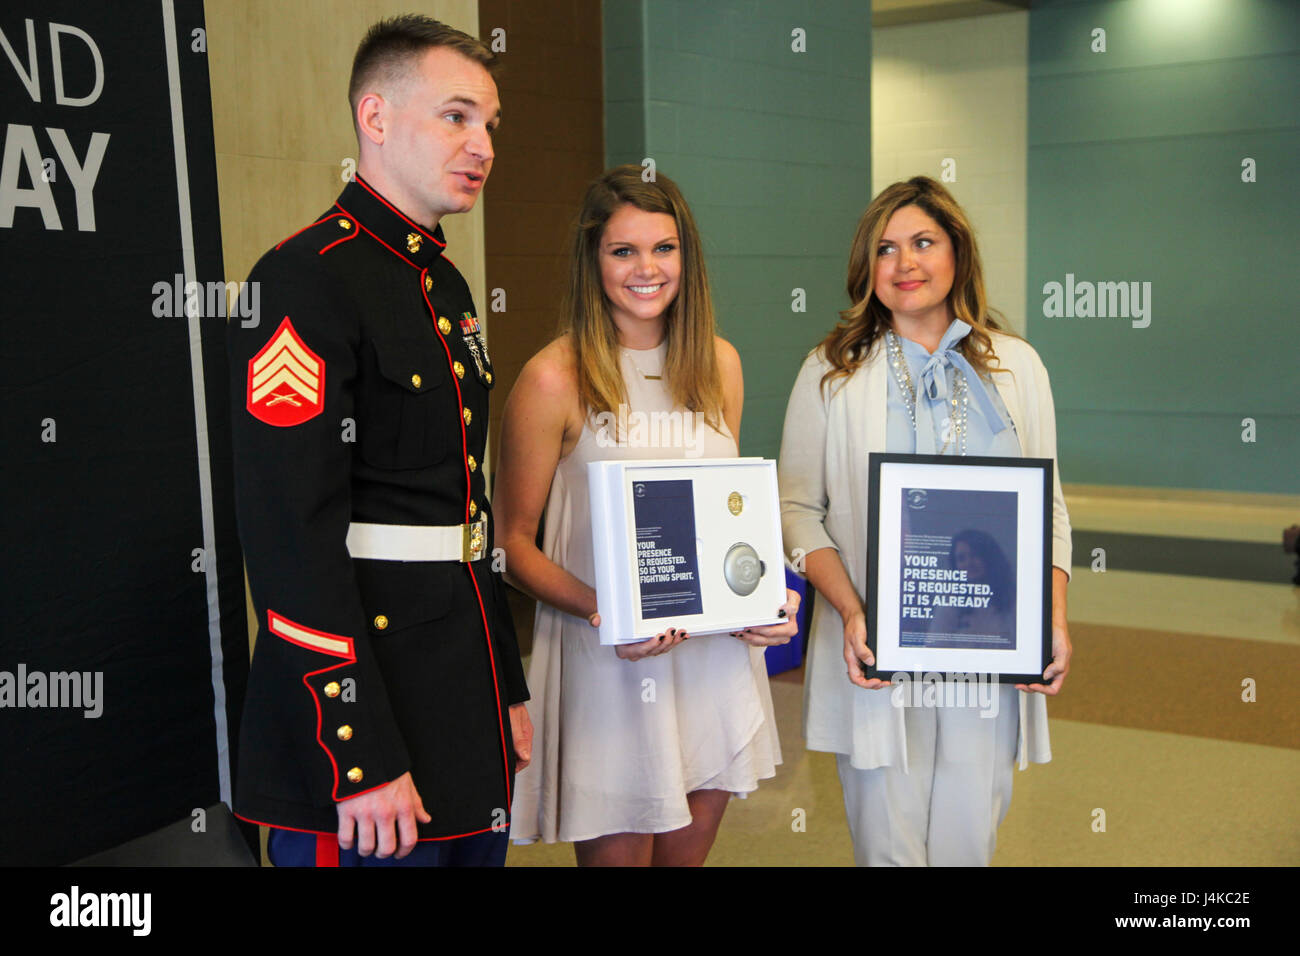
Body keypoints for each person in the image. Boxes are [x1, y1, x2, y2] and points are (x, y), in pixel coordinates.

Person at [227, 15, 530, 867]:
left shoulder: (444, 281)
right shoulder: (303, 278)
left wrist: (503, 683)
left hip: (458, 700)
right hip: (362, 724)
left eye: (490, 125)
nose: (482, 145)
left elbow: (465, 509)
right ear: (376, 115)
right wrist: (353, 752)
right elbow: (291, 536)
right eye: (457, 116)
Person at [496, 166, 798, 866]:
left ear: (686, 258)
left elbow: (727, 517)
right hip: (613, 664)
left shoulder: (719, 365)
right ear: (591, 260)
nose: (646, 269)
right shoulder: (553, 377)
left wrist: (764, 593)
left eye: (663, 248)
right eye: (622, 251)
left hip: (713, 659)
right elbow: (510, 544)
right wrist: (608, 611)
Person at [778, 176, 1073, 867]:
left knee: (968, 844)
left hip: (986, 649)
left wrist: (1050, 619)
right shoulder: (830, 373)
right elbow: (798, 512)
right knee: (889, 847)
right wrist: (853, 614)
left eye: (922, 242)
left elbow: (1049, 507)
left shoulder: (1017, 367)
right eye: (885, 249)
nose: (904, 263)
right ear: (866, 268)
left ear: (957, 253)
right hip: (879, 653)